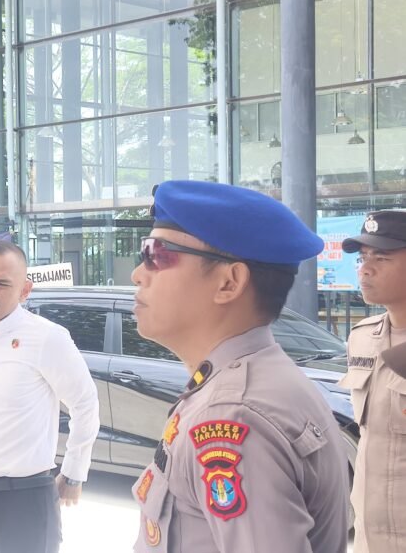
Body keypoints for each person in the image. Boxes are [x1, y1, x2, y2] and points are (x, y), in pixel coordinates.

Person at [128, 180, 348, 552]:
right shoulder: (249, 382)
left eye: (156, 254)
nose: (138, 273)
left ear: (229, 283)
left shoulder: (233, 415)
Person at [0, 239, 100, 553]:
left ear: (25, 290)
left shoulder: (47, 338)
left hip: (25, 498)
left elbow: (84, 404)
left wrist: (73, 474)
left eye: (2, 284)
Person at [338, 209, 406, 553]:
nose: (366, 268)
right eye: (363, 257)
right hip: (370, 538)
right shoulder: (362, 338)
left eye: (381, 257)